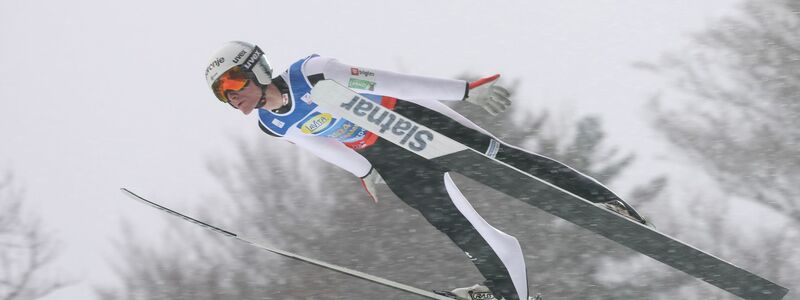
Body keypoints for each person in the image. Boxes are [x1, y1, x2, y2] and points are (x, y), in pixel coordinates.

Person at [205, 41, 650, 300]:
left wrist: (464, 91)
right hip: (386, 155)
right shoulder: (273, 123)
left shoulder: (314, 73)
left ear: (257, 68)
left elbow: (387, 81)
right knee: (451, 222)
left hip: (410, 119)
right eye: (223, 94)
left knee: (506, 163)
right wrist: (364, 171)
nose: (233, 96)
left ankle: (603, 203)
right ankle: (506, 289)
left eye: (234, 82)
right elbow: (319, 144)